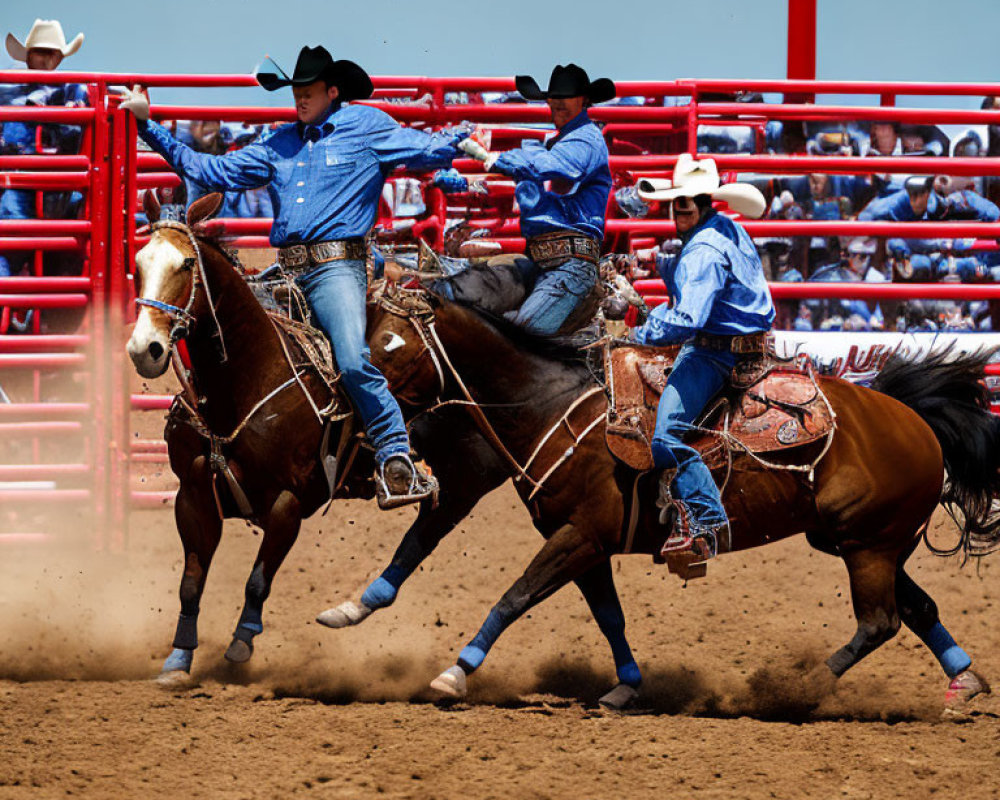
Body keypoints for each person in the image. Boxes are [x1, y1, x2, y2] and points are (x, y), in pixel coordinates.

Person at [120, 45, 471, 508]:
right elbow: (211, 169)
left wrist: (460, 139)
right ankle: (221, 441)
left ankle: (394, 456)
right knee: (229, 336)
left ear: (332, 91)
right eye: (295, 93)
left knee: (350, 358)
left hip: (337, 270)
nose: (299, 100)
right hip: (285, 269)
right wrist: (149, 125)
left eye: (307, 92)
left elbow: (422, 149)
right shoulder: (279, 143)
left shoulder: (365, 127)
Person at [630, 154, 773, 562]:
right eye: (679, 200)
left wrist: (641, 330)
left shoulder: (702, 251)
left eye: (689, 200)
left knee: (665, 437)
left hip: (715, 355)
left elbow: (688, 318)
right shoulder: (725, 229)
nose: (682, 207)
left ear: (703, 202)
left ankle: (706, 520)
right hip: (751, 347)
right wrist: (656, 263)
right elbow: (704, 272)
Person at [446, 64, 615, 335]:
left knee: (515, 338)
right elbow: (532, 174)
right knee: (462, 305)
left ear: (583, 100)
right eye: (554, 97)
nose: (557, 102)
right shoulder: (558, 143)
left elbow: (556, 167)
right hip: (542, 262)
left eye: (566, 96)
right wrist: (467, 181)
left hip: (569, 267)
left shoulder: (585, 140)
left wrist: (493, 157)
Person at [1, 19, 88, 288]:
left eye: (53, 53)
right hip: (17, 182)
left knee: (77, 244)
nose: (47, 59)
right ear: (28, 56)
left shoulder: (74, 89)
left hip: (61, 186)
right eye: (40, 52)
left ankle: (55, 315)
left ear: (60, 58)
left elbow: (76, 134)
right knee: (9, 241)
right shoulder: (6, 88)